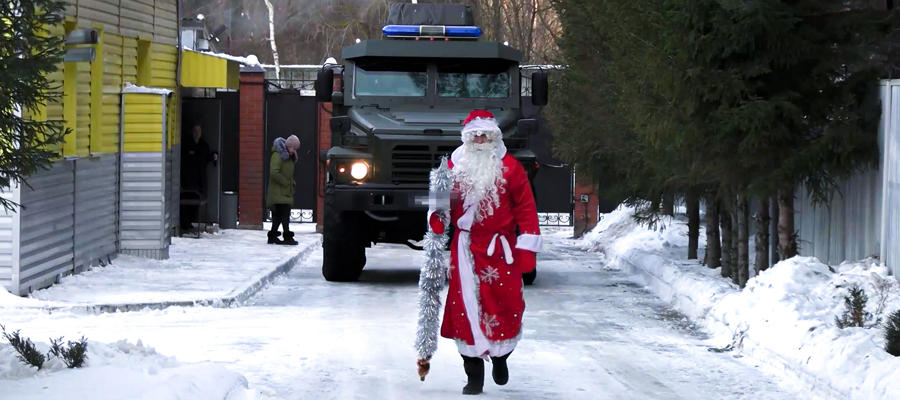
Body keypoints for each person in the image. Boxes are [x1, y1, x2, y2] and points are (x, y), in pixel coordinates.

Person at [428, 110, 542, 395]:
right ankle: (473, 376)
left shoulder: (511, 168)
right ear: (467, 138)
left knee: (506, 305)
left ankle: (501, 357)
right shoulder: (454, 167)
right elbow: (441, 204)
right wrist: (437, 217)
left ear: (494, 137)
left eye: (485, 135)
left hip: (500, 249)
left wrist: (527, 248)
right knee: (464, 309)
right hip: (465, 249)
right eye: (475, 135)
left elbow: (526, 208)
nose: (480, 139)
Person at [180, 124, 217, 232]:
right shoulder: (187, 144)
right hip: (188, 179)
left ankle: (190, 222)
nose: (197, 133)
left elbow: (206, 157)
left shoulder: (203, 145)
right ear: (192, 132)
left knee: (196, 202)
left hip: (200, 179)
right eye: (195, 131)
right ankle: (186, 223)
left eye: (199, 131)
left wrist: (214, 156)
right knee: (187, 201)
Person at [266, 135, 300, 245]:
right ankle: (287, 237)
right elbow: (274, 172)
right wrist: (285, 182)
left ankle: (273, 237)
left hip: (284, 192)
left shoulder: (288, 157)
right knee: (283, 215)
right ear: (288, 146)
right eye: (293, 149)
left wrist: (291, 183)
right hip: (278, 192)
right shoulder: (278, 155)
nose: (294, 151)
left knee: (279, 216)